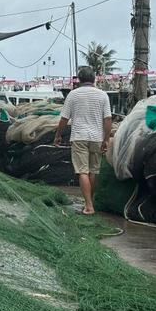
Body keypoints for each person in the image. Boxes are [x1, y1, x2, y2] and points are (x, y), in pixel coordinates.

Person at [54, 66, 112, 215]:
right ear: (94, 79)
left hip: (79, 137)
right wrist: (106, 139)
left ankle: (88, 206)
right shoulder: (103, 95)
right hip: (96, 137)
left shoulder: (73, 95)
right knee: (93, 171)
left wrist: (58, 135)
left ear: (79, 80)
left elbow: (64, 119)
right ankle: (89, 201)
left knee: (82, 172)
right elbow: (108, 119)